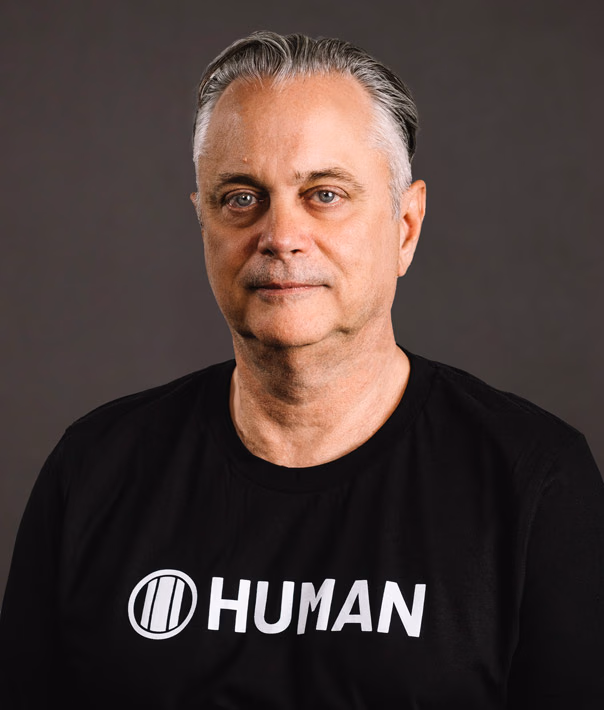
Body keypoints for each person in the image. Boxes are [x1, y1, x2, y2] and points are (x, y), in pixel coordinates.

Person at [1, 30, 603, 709]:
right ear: (203, 224)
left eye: (325, 194)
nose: (281, 236)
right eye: (240, 197)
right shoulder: (94, 471)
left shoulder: (534, 482)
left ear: (405, 227)